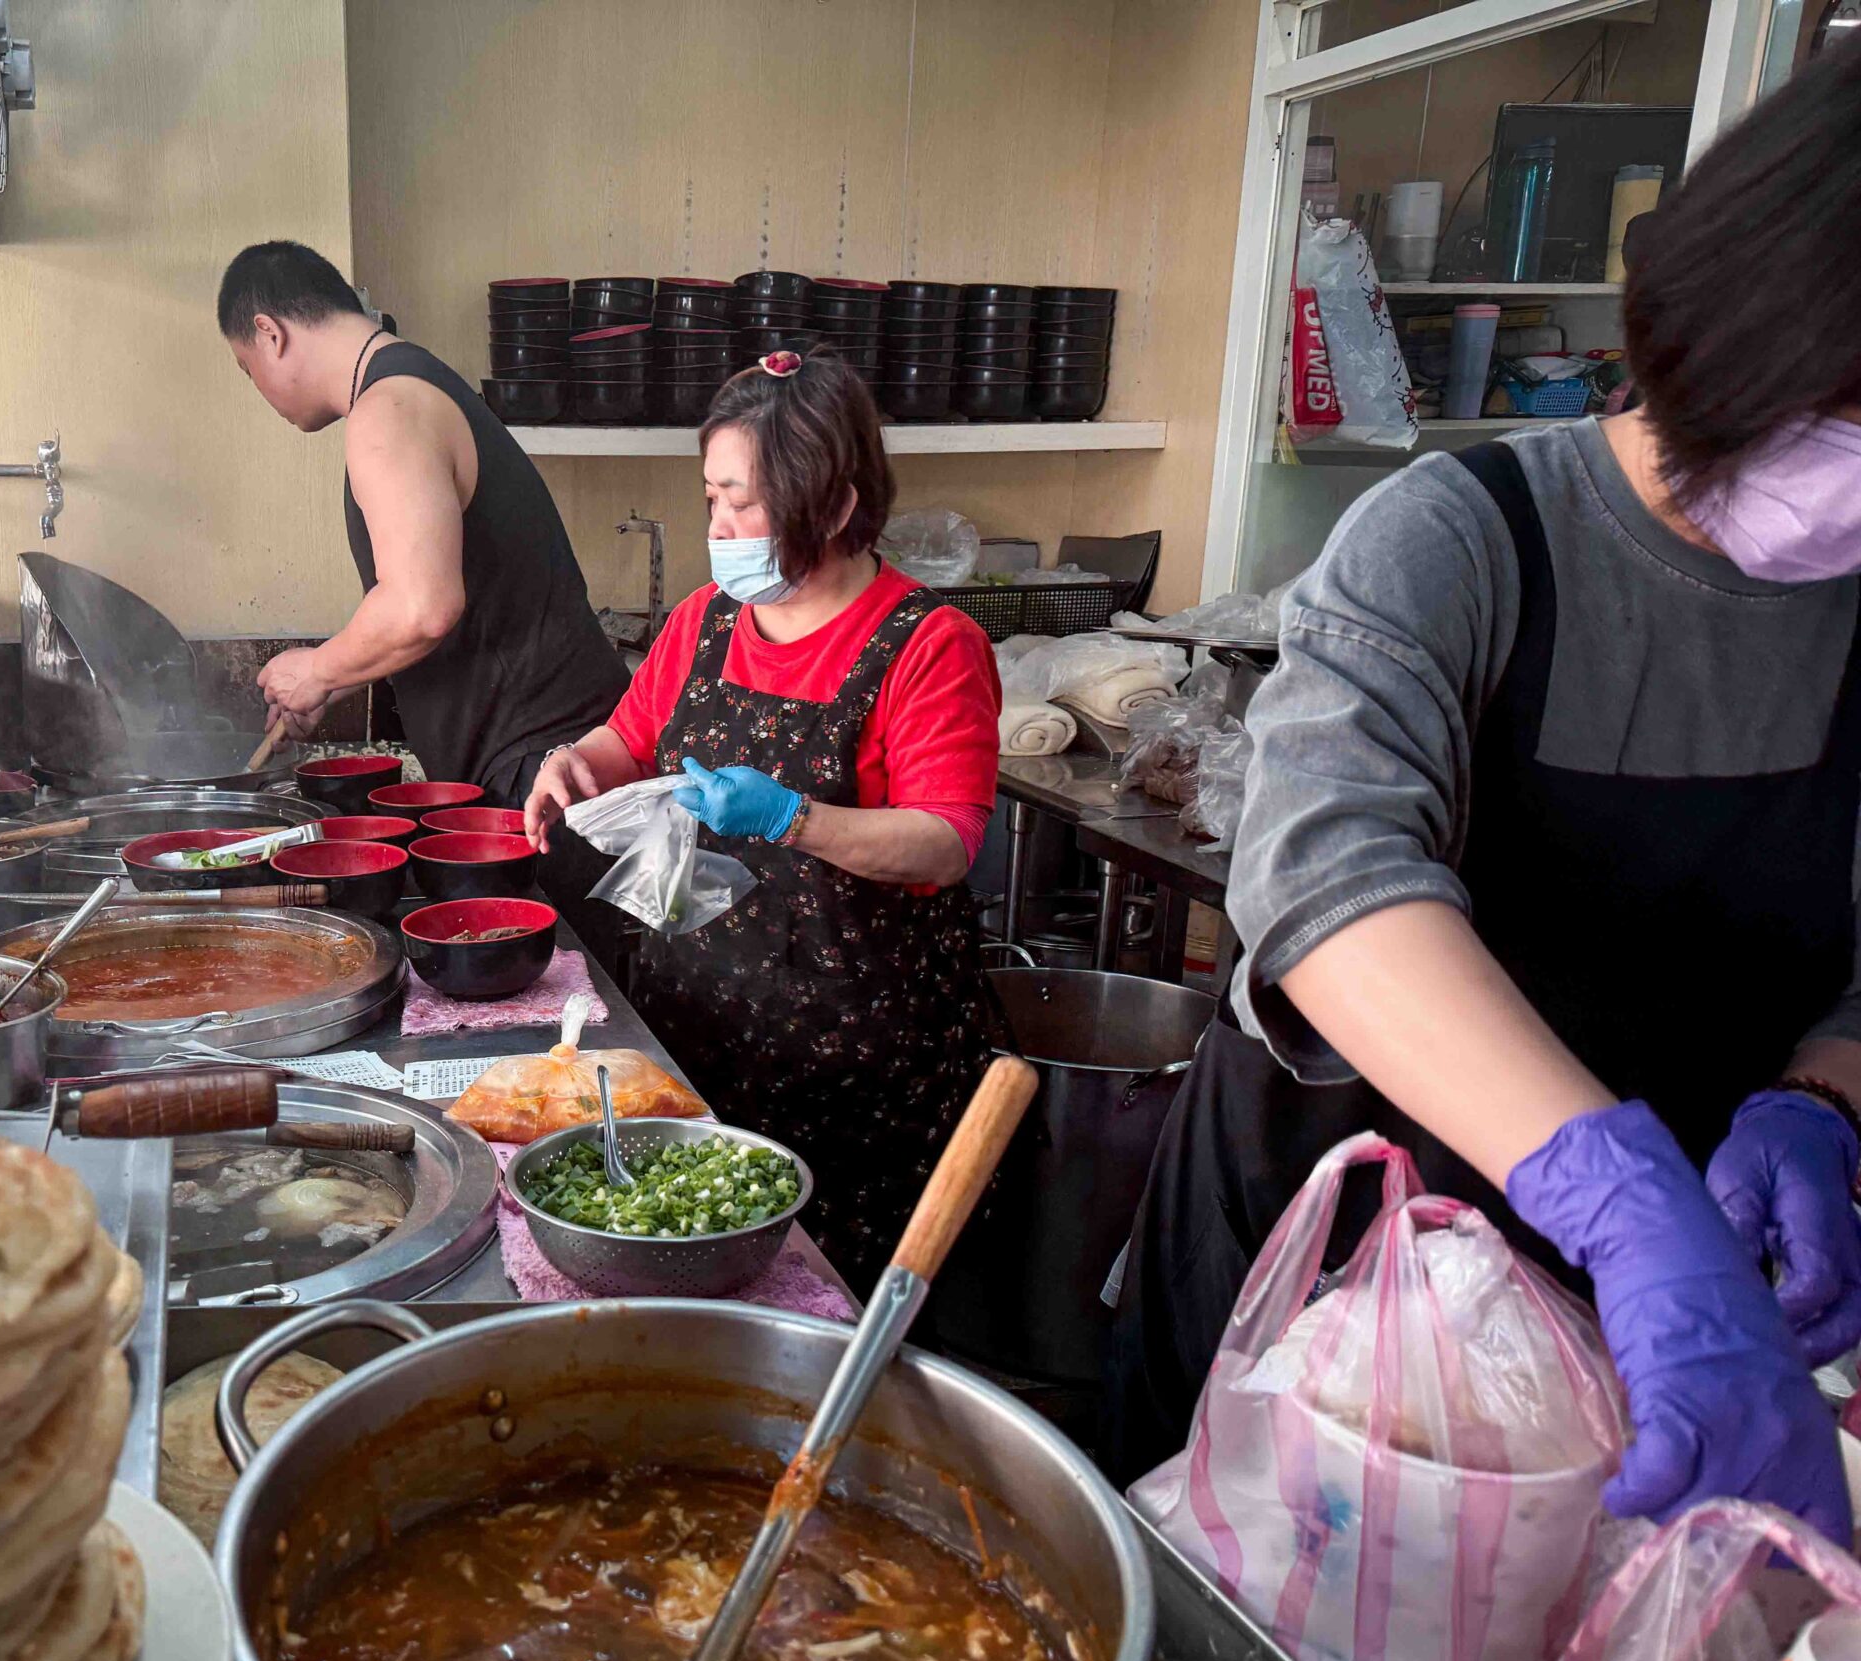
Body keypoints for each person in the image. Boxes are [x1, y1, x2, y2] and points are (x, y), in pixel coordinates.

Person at [1105, 36, 1861, 1548]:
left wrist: (1821, 1095)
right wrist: (1622, 1195)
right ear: (1746, 336)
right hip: (1338, 1281)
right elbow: (1329, 888)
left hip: (1663, 1324)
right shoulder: (1460, 540)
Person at [525, 352, 1004, 1281]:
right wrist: (572, 761)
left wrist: (793, 816)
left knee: (828, 1308)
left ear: (832, 504)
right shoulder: (706, 620)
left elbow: (946, 843)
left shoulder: (929, 645)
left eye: (742, 503)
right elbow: (630, 737)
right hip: (693, 1033)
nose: (720, 527)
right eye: (712, 499)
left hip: (856, 1070)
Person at [217, 241, 630, 950]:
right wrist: (336, 671)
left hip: (546, 777)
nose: (258, 388)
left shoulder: (386, 411)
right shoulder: (416, 386)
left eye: (245, 368)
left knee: (587, 1030)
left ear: (270, 333)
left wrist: (316, 668)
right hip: (558, 761)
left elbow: (422, 605)